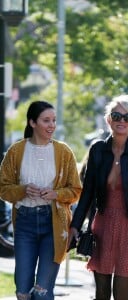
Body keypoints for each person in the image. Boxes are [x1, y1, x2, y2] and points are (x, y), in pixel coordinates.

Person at [68, 94, 128, 300]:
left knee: (121, 294)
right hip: (102, 225)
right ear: (108, 119)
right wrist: (75, 226)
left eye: (127, 117)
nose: (122, 121)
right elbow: (88, 192)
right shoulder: (97, 150)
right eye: (117, 116)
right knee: (101, 293)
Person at [0, 100, 82, 300]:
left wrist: (56, 194)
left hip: (53, 224)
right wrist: (23, 190)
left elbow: (76, 190)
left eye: (53, 120)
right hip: (24, 224)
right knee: (22, 292)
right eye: (46, 120)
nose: (51, 125)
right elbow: (3, 188)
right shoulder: (16, 151)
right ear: (32, 123)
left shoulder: (64, 152)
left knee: (42, 293)